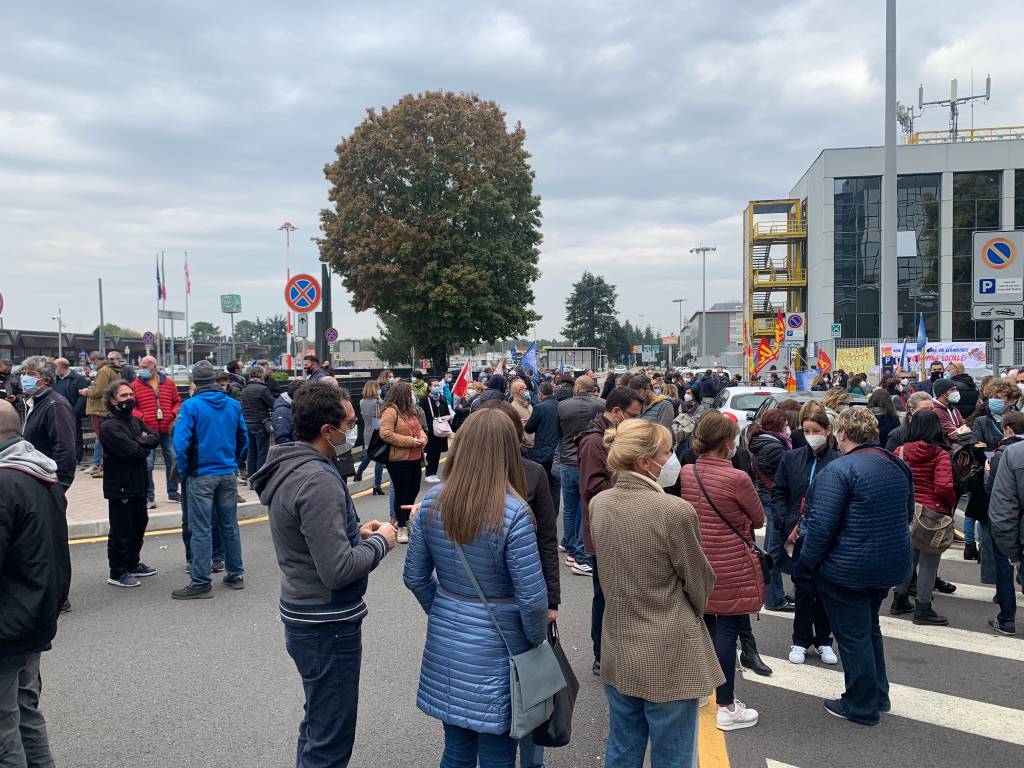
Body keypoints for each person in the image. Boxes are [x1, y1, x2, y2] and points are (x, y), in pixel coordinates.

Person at [250, 382, 396, 767]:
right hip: (326, 621)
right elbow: (338, 570)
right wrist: (382, 542)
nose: (353, 431)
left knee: (318, 724)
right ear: (327, 430)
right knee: (330, 737)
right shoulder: (317, 479)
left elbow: (312, 537)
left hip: (306, 612)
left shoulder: (292, 464)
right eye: (348, 424)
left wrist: (355, 533)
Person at [403, 409, 549, 767]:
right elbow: (531, 599)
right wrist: (534, 641)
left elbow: (414, 577)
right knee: (499, 749)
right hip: (503, 640)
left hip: (447, 635)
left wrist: (441, 608)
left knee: (456, 747)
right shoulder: (513, 513)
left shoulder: (431, 504)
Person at [590, 418, 723, 766]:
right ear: (644, 462)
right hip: (669, 648)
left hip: (618, 641)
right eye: (666, 452)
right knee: (674, 754)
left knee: (622, 744)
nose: (672, 458)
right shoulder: (673, 511)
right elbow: (699, 580)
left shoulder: (599, 504)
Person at [799, 408, 913, 726]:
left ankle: (861, 705)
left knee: (854, 637)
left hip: (846, 569)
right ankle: (878, 694)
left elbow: (820, 528)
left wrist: (805, 565)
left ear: (843, 435)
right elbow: (906, 514)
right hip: (889, 564)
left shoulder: (839, 470)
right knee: (869, 629)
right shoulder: (896, 464)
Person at [679, 410, 764, 730]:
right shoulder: (737, 478)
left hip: (697, 560)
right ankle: (726, 705)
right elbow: (758, 519)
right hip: (730, 562)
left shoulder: (687, 472)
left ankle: (702, 689)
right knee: (727, 630)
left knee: (706, 626)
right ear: (728, 443)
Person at [0, 400, 71, 768]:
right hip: (34, 612)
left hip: (8, 620)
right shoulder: (40, 473)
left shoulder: (4, 481)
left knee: (3, 727)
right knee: (26, 712)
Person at [578, 386, 644, 675]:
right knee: (604, 595)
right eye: (631, 415)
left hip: (622, 524)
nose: (633, 421)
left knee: (623, 593)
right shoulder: (594, 442)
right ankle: (600, 654)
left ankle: (619, 649)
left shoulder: (616, 437)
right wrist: (632, 481)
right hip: (604, 528)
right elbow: (593, 489)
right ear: (616, 412)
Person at [171, 360, 248, 600]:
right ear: (215, 380)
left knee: (201, 529)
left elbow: (180, 444)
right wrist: (233, 463)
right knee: (229, 526)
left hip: (201, 474)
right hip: (226, 472)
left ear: (195, 381)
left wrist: (184, 471)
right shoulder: (233, 405)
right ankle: (235, 574)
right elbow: (243, 438)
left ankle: (201, 581)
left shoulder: (191, 406)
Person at [770, 405, 841, 664]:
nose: (811, 435)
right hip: (796, 533)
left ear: (828, 430)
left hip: (827, 535)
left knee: (824, 589)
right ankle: (799, 640)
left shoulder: (838, 461)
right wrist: (783, 520)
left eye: (816, 430)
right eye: (807, 430)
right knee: (803, 589)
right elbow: (778, 493)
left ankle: (824, 640)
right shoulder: (792, 458)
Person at [885, 410, 956, 625]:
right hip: (932, 512)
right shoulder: (940, 454)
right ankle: (923, 608)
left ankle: (899, 599)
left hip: (907, 510)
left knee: (909, 557)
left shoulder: (900, 451)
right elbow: (944, 487)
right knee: (929, 561)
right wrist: (950, 503)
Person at [100, 380, 161, 587]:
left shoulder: (135, 420)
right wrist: (141, 443)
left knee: (138, 525)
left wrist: (140, 441)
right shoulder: (108, 425)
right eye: (124, 396)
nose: (129, 399)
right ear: (113, 400)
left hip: (139, 483)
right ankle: (117, 572)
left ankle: (133, 564)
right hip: (121, 486)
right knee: (121, 530)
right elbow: (132, 450)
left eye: (130, 395)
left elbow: (154, 437)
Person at [557, 375, 605, 574]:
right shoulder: (601, 405)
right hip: (587, 460)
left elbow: (559, 433)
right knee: (583, 509)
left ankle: (570, 548)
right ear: (592, 388)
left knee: (569, 508)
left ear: (576, 388)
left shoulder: (562, 406)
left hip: (567, 460)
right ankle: (579, 551)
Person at [747, 409, 792, 613]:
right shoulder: (774, 447)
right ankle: (774, 599)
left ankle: (777, 595)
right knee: (772, 553)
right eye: (785, 423)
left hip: (770, 500)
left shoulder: (767, 443)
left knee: (771, 550)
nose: (788, 427)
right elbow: (788, 473)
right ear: (778, 426)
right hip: (776, 502)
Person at [987, 413, 1024, 635]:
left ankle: (1007, 617)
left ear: (1008, 429)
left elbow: (1001, 504)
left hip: (1016, 535)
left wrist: (1015, 553)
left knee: (1003, 567)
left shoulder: (1010, 454)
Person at [130, 355, 181, 507]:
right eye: (141, 367)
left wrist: (172, 413)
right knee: (148, 464)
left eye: (145, 367)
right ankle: (149, 495)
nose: (142, 370)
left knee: (172, 460)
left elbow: (177, 401)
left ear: (154, 366)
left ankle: (173, 492)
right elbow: (132, 407)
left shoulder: (169, 383)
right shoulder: (135, 385)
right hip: (148, 430)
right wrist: (142, 417)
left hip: (167, 428)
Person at [19, 356, 76, 490]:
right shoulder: (35, 402)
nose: (24, 378)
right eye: (24, 373)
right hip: (34, 477)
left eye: (31, 374)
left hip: (47, 481)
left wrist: (58, 484)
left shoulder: (55, 405)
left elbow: (64, 447)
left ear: (46, 380)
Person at [379, 380, 426, 544]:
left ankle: (405, 520)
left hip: (415, 458)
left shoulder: (410, 412)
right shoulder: (390, 412)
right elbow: (385, 434)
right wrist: (411, 441)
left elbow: (419, 429)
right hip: (398, 459)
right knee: (402, 493)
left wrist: (422, 438)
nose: (412, 396)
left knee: (414, 489)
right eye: (409, 393)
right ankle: (401, 526)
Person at [81, 349, 124, 477]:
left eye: (91, 362)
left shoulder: (104, 371)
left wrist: (86, 392)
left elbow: (98, 391)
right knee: (106, 439)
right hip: (109, 408)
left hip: (100, 409)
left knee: (103, 439)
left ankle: (105, 467)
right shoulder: (114, 370)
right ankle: (103, 466)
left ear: (95, 360)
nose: (91, 365)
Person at [52, 357, 89, 466]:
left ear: (61, 367)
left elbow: (82, 397)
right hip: (58, 412)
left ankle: (77, 458)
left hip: (72, 412)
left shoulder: (78, 379)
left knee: (75, 436)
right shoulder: (57, 380)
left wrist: (75, 411)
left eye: (55, 367)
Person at [241, 365, 275, 478]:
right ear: (261, 375)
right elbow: (273, 404)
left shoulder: (245, 389)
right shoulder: (263, 389)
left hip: (247, 423)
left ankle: (251, 478)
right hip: (260, 423)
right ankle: (260, 478)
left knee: (251, 452)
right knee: (262, 452)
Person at [354, 380, 386, 494]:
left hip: (367, 430)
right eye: (378, 388)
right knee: (379, 459)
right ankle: (377, 485)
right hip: (377, 430)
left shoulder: (362, 402)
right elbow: (379, 418)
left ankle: (359, 472)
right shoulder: (378, 402)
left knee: (369, 454)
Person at [419, 378, 452, 483]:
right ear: (429, 387)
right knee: (431, 452)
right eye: (434, 385)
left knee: (438, 452)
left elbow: (446, 411)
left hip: (441, 428)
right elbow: (421, 414)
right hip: (430, 429)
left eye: (438, 385)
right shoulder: (424, 399)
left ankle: (434, 473)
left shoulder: (442, 398)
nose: (437, 387)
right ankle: (429, 473)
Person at [272, 380, 303, 446]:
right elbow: (281, 438)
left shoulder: (293, 406)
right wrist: (296, 449)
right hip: (293, 452)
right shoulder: (282, 411)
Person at [508, 378, 534, 448]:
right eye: (524, 389)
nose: (527, 391)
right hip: (523, 445)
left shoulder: (529, 404)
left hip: (532, 443)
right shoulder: (513, 408)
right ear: (516, 392)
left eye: (526, 388)